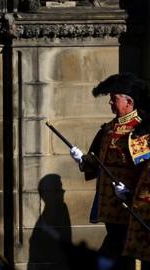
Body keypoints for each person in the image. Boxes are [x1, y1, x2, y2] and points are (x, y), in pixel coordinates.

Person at [69, 72, 150, 270]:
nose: (110, 103)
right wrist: (82, 159)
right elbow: (95, 161)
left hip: (129, 208)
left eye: (114, 99)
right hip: (109, 208)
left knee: (118, 255)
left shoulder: (141, 130)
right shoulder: (107, 128)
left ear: (128, 102)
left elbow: (146, 172)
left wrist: (130, 193)